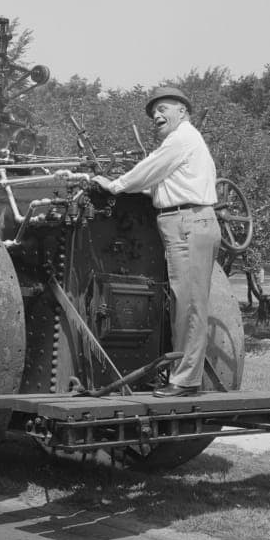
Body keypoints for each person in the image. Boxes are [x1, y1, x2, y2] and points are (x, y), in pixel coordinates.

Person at [90, 85, 219, 397]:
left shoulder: (182, 138)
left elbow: (149, 170)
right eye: (153, 112)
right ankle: (184, 374)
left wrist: (114, 185)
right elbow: (163, 184)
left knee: (188, 304)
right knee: (184, 302)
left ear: (182, 112)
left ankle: (186, 381)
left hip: (186, 224)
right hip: (186, 221)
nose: (156, 115)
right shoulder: (186, 142)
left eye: (164, 109)